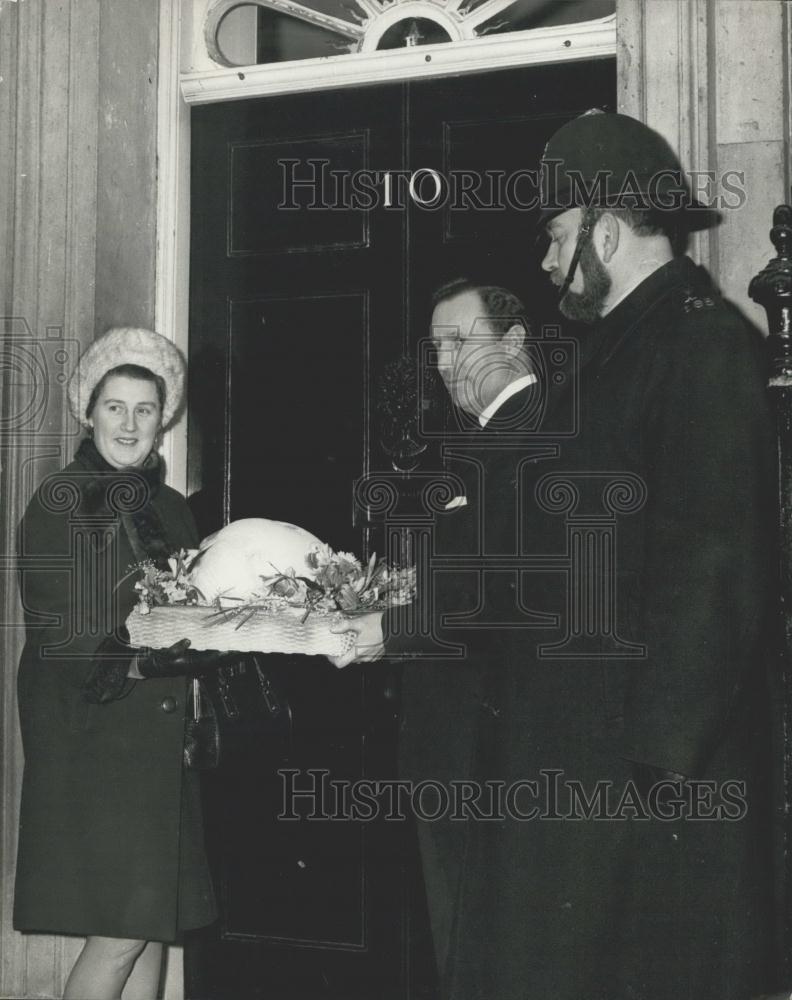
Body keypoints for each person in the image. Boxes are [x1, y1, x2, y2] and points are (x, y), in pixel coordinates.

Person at [344, 112, 779, 1000]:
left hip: (635, 786)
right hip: (568, 765)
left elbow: (715, 567)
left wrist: (656, 777)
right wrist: (398, 620)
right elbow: (518, 548)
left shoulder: (702, 344)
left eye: (554, 236)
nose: (546, 264)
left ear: (605, 229)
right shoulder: (603, 357)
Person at [14, 327, 223, 999]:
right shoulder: (59, 500)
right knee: (121, 931)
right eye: (115, 407)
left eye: (144, 410)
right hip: (96, 745)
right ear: (89, 411)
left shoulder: (172, 509)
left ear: (162, 421)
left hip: (161, 749)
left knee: (153, 928)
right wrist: (150, 656)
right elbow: (59, 630)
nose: (130, 424)